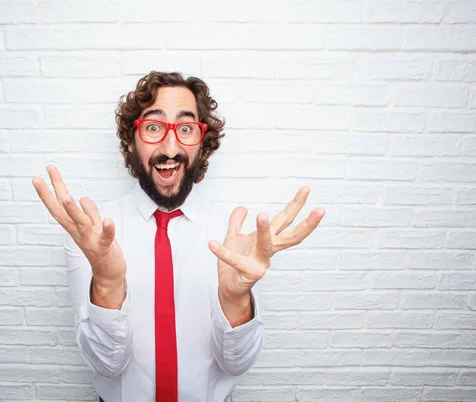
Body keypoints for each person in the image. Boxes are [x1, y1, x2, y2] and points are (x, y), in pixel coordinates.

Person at [32, 71, 325, 402]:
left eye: (186, 128)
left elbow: (237, 365)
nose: (170, 148)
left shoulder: (234, 237)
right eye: (154, 127)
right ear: (132, 139)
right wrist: (106, 285)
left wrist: (235, 300)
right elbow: (106, 365)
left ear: (202, 142)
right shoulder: (92, 234)